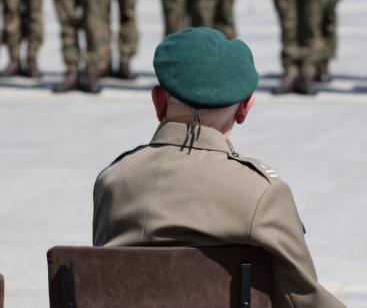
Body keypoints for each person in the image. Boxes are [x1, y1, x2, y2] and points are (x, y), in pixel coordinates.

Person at [92, 27, 346, 308]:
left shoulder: (113, 181)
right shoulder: (261, 194)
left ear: (159, 102)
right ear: (244, 109)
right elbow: (305, 300)